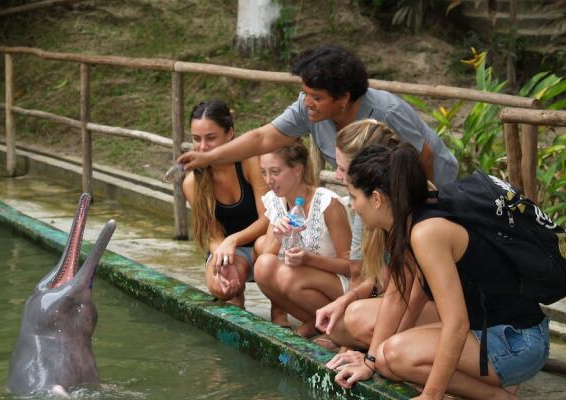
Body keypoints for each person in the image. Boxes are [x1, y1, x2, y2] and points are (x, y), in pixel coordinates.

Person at [330, 144, 549, 400]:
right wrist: (369, 362)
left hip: (517, 341)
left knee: (396, 354)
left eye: (354, 197)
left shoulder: (426, 233)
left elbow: (456, 324)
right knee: (386, 361)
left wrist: (431, 395)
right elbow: (396, 296)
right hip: (489, 330)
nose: (353, 206)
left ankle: (498, 397)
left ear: (376, 199)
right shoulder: (408, 221)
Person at [176, 44, 459, 188]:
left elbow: (424, 159)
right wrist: (210, 157)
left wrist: (422, 206)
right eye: (306, 93)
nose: (307, 103)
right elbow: (263, 138)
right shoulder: (308, 108)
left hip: (430, 185)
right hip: (375, 189)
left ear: (344, 98)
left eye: (318, 97)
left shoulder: (387, 112)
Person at [316, 119, 438, 350]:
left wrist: (375, 357)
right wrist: (347, 299)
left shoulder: (413, 218)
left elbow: (409, 296)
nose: (337, 175)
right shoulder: (381, 209)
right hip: (414, 302)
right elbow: (384, 280)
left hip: (449, 312)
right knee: (343, 320)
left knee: (355, 318)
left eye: (342, 168)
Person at [255, 142, 352, 338]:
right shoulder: (276, 201)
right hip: (303, 279)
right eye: (263, 172)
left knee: (288, 276)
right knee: (262, 266)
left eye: (275, 172)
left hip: (343, 286)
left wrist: (308, 260)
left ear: (298, 170)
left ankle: (338, 330)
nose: (268, 180)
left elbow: (353, 267)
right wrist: (279, 237)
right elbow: (267, 257)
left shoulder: (328, 204)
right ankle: (314, 321)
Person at [181, 100, 269, 308]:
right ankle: (236, 299)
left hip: (266, 243)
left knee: (265, 247)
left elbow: (268, 218)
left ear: (229, 134)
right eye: (196, 139)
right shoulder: (191, 183)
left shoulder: (250, 162)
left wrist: (234, 240)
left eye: (211, 138)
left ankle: (280, 313)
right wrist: (222, 258)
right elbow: (213, 234)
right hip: (231, 250)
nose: (202, 147)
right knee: (222, 285)